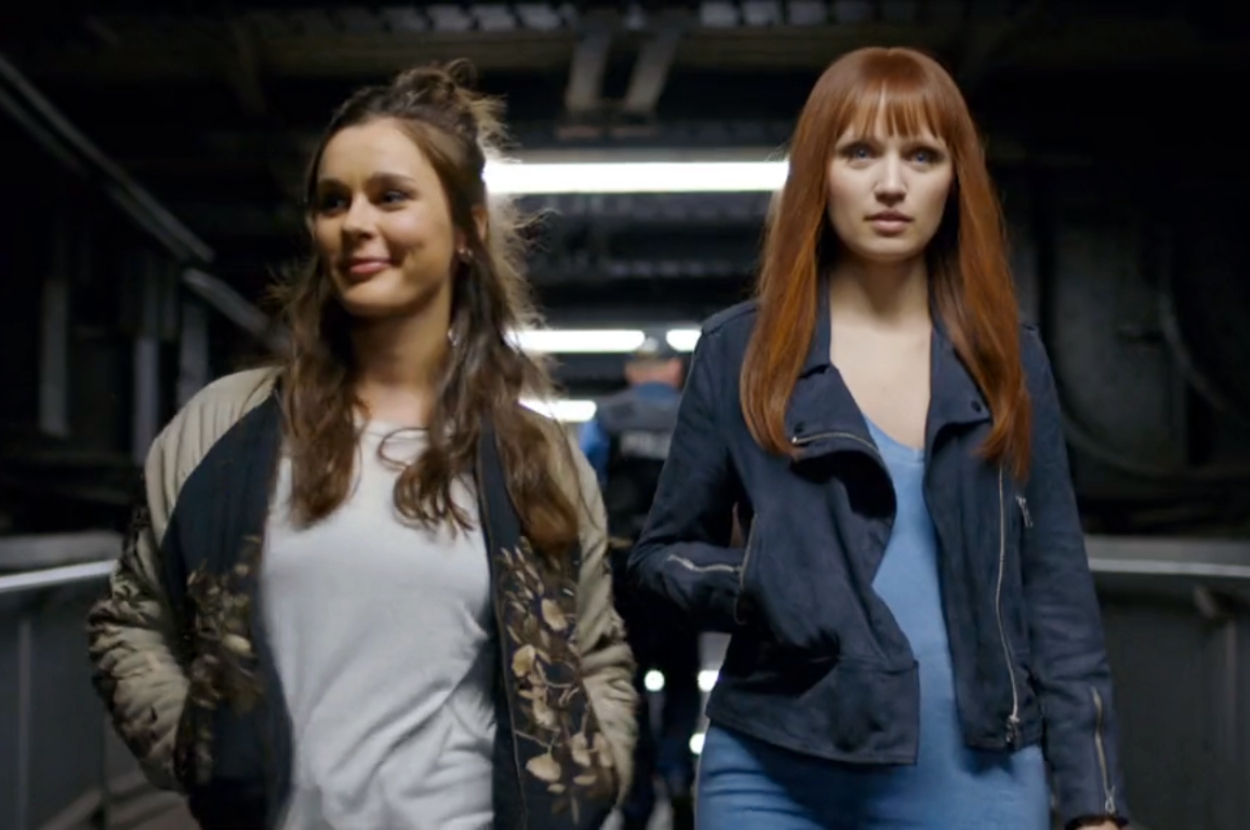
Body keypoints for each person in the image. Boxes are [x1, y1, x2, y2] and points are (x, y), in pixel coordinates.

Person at [86, 60, 636, 830]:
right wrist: (197, 750)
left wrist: (590, 773)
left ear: (469, 229)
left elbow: (594, 650)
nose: (354, 224)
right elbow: (131, 618)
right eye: (332, 201)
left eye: (391, 196)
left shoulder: (534, 456)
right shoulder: (223, 430)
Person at [629, 46, 1129, 830]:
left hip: (979, 776)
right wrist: (762, 581)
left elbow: (1056, 590)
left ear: (954, 179)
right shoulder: (741, 352)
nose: (891, 183)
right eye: (860, 151)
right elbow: (659, 559)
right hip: (772, 771)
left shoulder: (1007, 356)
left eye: (922, 154)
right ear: (817, 173)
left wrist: (1095, 802)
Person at [580, 335, 699, 830]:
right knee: (681, 679)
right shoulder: (697, 415)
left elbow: (582, 486)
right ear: (674, 372)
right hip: (683, 571)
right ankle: (677, 772)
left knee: (627, 679)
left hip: (624, 568)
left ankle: (637, 786)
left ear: (633, 373)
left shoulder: (607, 417)